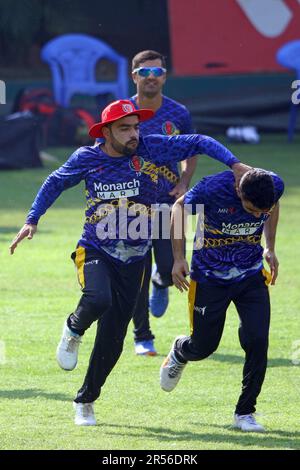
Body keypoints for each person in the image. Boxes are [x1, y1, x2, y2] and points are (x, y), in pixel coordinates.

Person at [10, 99, 249, 426]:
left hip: (135, 258)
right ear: (106, 131)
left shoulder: (152, 148)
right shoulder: (88, 158)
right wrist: (32, 219)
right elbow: (54, 182)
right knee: (97, 298)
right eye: (125, 128)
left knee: (113, 339)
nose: (134, 133)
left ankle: (86, 400)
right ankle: (73, 328)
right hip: (95, 249)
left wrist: (234, 164)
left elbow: (200, 142)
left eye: (136, 126)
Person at [160, 168, 284, 432]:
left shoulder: (273, 186)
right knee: (203, 347)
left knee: (258, 340)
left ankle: (245, 412)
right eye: (252, 209)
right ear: (239, 191)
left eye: (263, 212)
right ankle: (181, 351)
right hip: (209, 277)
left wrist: (270, 246)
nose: (257, 216)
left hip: (250, 276)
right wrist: (179, 258)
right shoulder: (212, 188)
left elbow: (274, 204)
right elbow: (178, 209)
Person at [130, 50, 197, 356]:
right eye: (145, 72)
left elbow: (191, 149)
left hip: (169, 204)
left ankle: (161, 280)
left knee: (172, 268)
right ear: (134, 76)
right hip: (131, 206)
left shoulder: (178, 113)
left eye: (157, 72)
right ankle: (142, 336)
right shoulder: (122, 111)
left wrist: (184, 182)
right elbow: (102, 150)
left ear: (165, 76)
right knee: (135, 272)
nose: (151, 77)